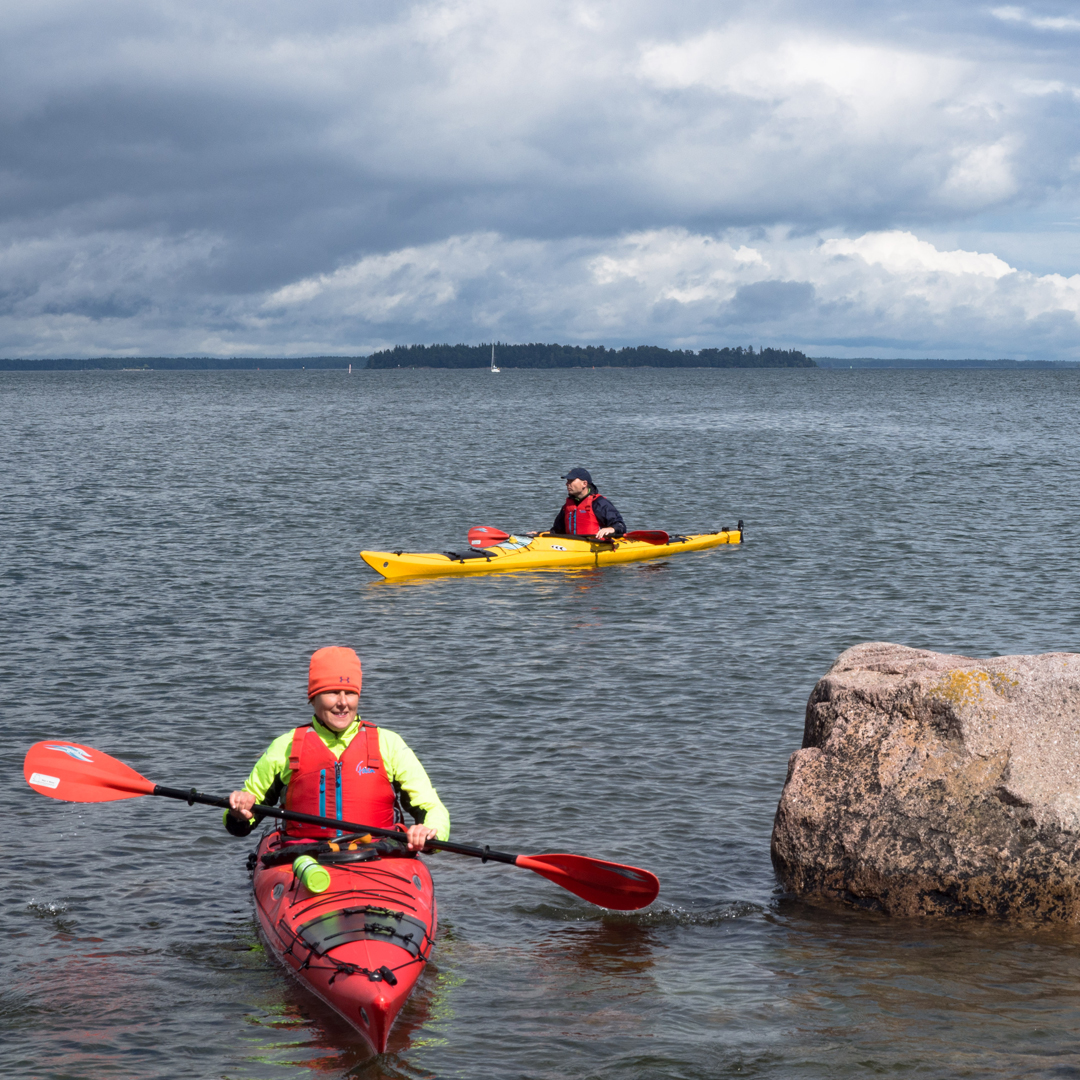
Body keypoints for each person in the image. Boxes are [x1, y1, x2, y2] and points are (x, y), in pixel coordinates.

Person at [225, 646, 448, 852]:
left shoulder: (388, 744)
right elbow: (239, 825)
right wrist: (239, 811)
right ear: (313, 697)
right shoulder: (285, 746)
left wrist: (428, 831)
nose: (343, 702)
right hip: (305, 857)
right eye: (332, 692)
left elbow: (432, 808)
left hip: (378, 855)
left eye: (349, 693)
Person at [530, 468, 626, 540]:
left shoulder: (599, 503)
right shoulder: (568, 506)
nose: (567, 484)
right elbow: (558, 531)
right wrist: (539, 534)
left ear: (584, 484)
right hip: (573, 545)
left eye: (571, 481)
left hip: (596, 544)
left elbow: (620, 525)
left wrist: (611, 529)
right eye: (567, 481)